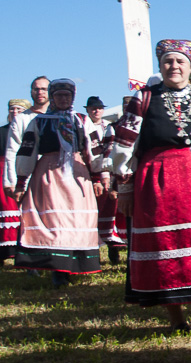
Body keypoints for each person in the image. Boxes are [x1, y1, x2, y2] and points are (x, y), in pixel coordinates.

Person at [111, 40, 191, 334]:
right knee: (166, 248)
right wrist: (124, 187)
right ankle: (177, 319)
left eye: (180, 62)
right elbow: (125, 144)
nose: (174, 67)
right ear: (160, 66)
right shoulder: (144, 98)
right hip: (155, 179)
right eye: (168, 62)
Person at [12, 79, 102, 285]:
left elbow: (94, 149)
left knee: (76, 220)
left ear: (73, 97)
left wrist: (98, 175)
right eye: (59, 95)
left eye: (67, 95)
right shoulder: (40, 121)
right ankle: (57, 271)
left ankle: (73, 266)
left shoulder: (81, 120)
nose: (63, 99)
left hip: (77, 172)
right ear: (52, 97)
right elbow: (27, 150)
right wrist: (21, 180)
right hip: (49, 174)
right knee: (54, 221)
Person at [82, 96, 123, 265]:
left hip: (109, 173)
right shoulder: (84, 126)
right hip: (90, 174)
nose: (96, 111)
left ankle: (114, 249)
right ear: (87, 110)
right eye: (93, 108)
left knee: (112, 212)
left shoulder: (109, 126)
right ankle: (95, 251)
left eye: (99, 108)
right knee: (94, 213)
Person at [4, 77, 50, 202]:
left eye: (44, 89)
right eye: (36, 89)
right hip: (27, 177)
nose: (40, 92)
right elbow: (12, 150)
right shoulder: (21, 119)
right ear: (31, 92)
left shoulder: (59, 117)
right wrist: (11, 181)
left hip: (53, 176)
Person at [1, 98, 32, 261]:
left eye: (19, 110)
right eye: (12, 109)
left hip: (28, 172)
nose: (14, 112)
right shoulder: (2, 131)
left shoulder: (32, 131)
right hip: (4, 176)